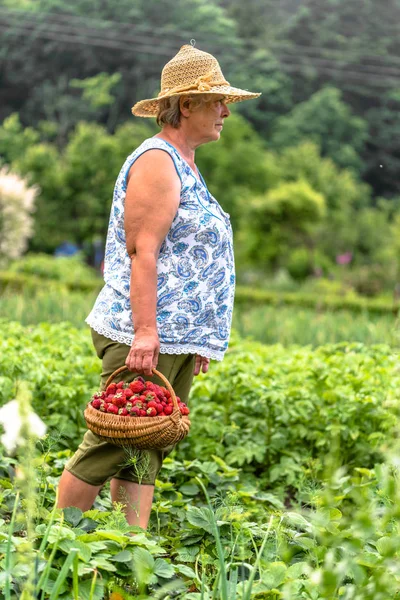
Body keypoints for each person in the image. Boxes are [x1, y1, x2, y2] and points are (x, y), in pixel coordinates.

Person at [57, 43, 260, 529]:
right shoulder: (157, 161)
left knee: (146, 445)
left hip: (171, 335)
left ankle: (129, 553)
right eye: (216, 101)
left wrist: (197, 337)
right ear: (185, 106)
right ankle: (53, 549)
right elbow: (142, 252)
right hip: (141, 332)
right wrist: (147, 331)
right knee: (111, 442)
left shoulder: (184, 162)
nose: (225, 111)